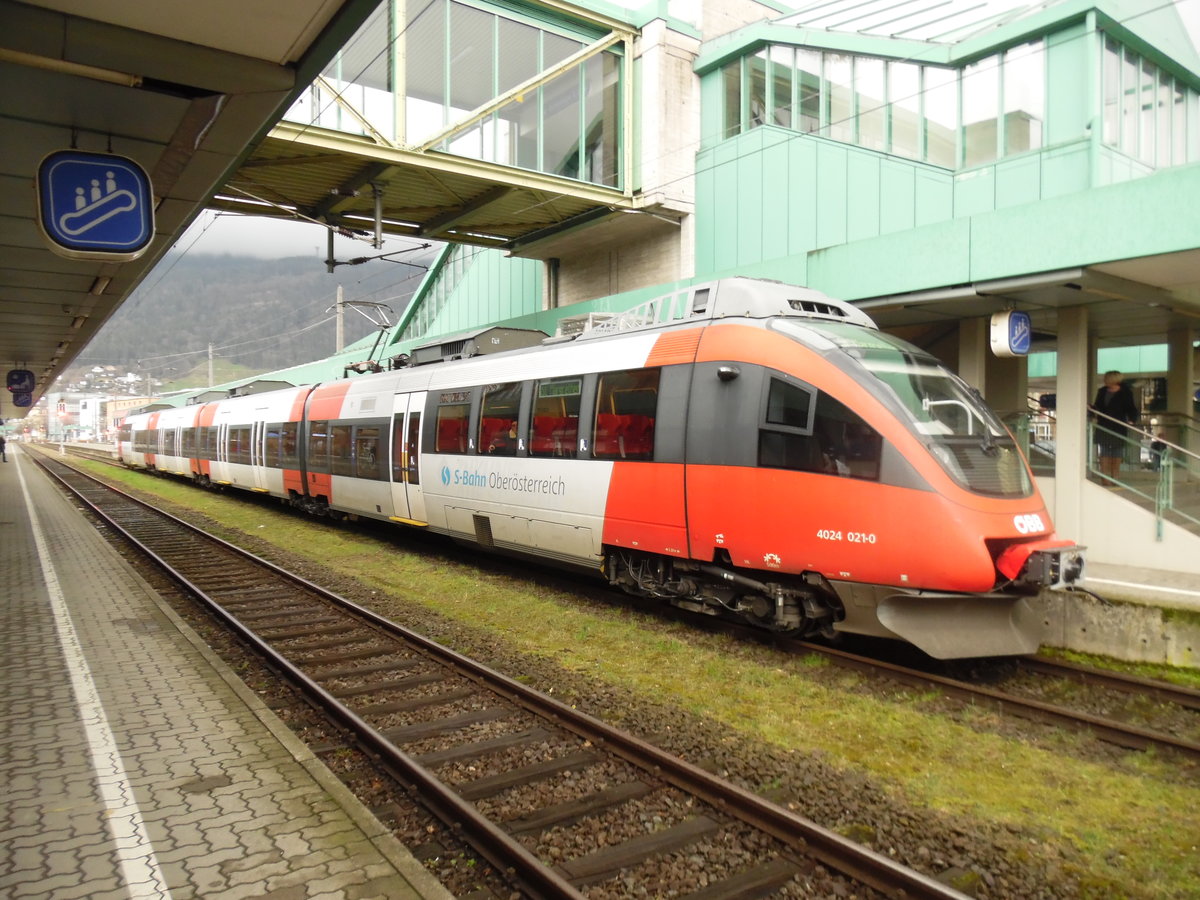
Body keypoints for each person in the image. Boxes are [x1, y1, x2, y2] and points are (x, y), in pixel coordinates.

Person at [1089, 370, 1139, 485]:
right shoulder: (1102, 391)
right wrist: (1091, 409)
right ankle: (1104, 478)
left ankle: (1115, 477)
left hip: (1118, 425)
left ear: (1113, 380)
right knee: (1104, 452)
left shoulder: (1125, 392)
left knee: (1117, 452)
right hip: (1104, 425)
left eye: (1106, 378)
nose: (1104, 380)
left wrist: (1131, 420)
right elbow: (1098, 407)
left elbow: (1131, 408)